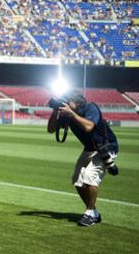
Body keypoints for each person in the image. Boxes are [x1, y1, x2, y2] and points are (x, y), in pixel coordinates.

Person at [47, 90, 119, 226]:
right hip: (90, 148)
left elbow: (89, 126)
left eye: (68, 101)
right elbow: (51, 129)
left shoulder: (90, 107)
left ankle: (89, 213)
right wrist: (55, 111)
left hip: (106, 146)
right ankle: (94, 212)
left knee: (89, 176)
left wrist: (71, 114)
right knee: (77, 179)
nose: (65, 103)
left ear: (78, 102)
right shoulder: (66, 113)